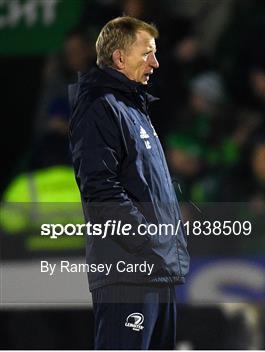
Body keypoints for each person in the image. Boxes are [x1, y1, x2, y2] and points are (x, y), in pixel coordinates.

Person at [68, 17, 189, 349]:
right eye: (147, 53)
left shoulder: (133, 108)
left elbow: (141, 182)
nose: (155, 62)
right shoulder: (100, 107)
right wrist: (148, 241)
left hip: (154, 268)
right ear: (119, 58)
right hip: (130, 270)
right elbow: (100, 191)